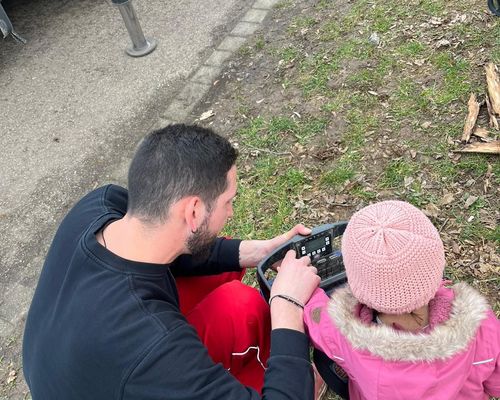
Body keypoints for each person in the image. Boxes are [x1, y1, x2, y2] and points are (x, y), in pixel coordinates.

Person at [23, 124, 321, 400]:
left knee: (238, 303)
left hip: (75, 361)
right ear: (193, 211)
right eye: (228, 201)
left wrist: (255, 251)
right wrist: (287, 305)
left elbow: (176, 245)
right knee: (267, 342)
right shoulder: (153, 345)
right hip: (119, 366)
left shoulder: (101, 205)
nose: (230, 212)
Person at [304, 200, 500, 400]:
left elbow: (316, 320)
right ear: (436, 266)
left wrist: (306, 290)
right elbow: (496, 384)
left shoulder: (343, 334)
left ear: (357, 285)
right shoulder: (482, 326)